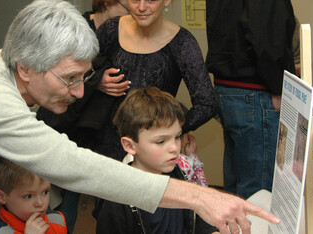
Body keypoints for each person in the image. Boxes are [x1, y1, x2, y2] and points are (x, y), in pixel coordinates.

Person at [0, 0, 280, 233]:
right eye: (69, 79)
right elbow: (65, 162)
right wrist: (200, 198)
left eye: (82, 78)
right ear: (26, 67)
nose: (80, 92)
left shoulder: (10, 77)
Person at [35, 1, 130, 232]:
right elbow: (57, 81)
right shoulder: (74, 31)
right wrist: (95, 82)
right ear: (108, 3)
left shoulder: (122, 37)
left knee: (79, 203)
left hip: (90, 134)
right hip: (59, 127)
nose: (133, 14)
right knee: (55, 204)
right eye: (128, 8)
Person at [91, 0, 217, 162]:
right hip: (103, 147)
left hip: (151, 156)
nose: (142, 7)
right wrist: (97, 80)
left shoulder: (182, 43)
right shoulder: (110, 30)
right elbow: (80, 72)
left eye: (151, 0)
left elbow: (207, 104)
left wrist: (171, 132)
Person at [205, 0, 296, 199]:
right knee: (258, 194)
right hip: (254, 93)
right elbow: (268, 42)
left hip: (226, 89)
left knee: (236, 187)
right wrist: (278, 88)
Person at [96, 87, 219, 233]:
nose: (174, 147)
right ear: (130, 145)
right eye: (161, 141)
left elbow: (196, 221)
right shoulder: (116, 201)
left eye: (177, 136)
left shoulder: (179, 174)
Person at [0, 158, 66, 234]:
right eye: (28, 196)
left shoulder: (57, 219)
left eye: (45, 192)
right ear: (1, 196)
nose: (40, 203)